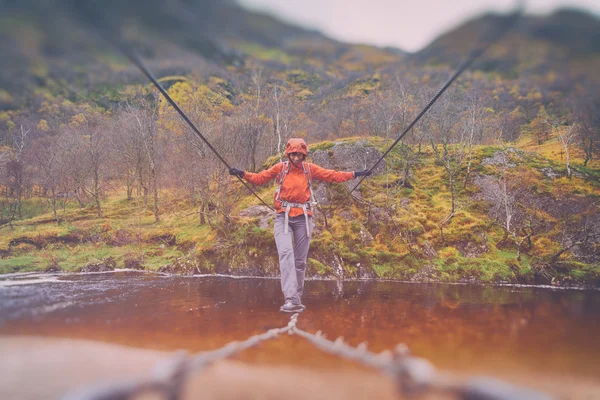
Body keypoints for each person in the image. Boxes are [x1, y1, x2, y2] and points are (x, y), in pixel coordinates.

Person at [229, 138, 371, 313]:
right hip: (283, 217)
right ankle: (290, 299)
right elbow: (260, 178)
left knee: (300, 262)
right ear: (289, 154)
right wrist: (242, 174)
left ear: (304, 154)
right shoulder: (280, 168)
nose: (296, 157)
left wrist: (355, 174)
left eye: (300, 154)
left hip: (303, 218)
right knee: (286, 253)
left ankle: (296, 298)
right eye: (293, 154)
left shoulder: (309, 169)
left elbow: (332, 175)